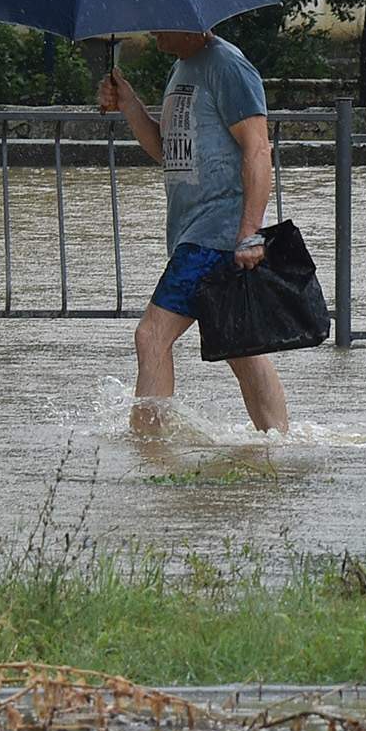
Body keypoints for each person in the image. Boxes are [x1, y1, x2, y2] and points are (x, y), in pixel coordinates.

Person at [97, 29, 289, 434]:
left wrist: (250, 233)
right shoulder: (183, 68)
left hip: (216, 233)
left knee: (151, 336)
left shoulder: (228, 66)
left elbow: (257, 149)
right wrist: (129, 103)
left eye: (161, 19)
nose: (151, 29)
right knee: (242, 349)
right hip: (195, 233)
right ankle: (278, 444)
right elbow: (168, 151)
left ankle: (149, 449)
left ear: (192, 19)